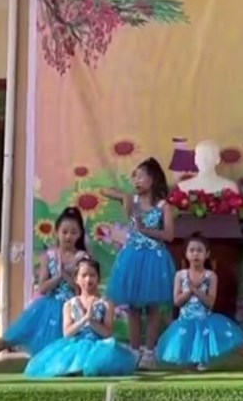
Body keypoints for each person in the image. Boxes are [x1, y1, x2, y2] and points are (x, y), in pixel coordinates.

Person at [0, 207, 88, 369]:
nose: (68, 236)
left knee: (67, 348)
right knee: (8, 339)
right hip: (46, 308)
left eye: (74, 232)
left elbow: (81, 290)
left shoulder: (82, 257)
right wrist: (58, 277)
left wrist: (66, 276)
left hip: (72, 310)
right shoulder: (49, 255)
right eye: (65, 232)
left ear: (80, 234)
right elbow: (42, 288)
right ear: (57, 232)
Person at [156, 234, 243, 372]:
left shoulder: (210, 276)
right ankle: (199, 364)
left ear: (207, 254)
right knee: (189, 360)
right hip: (186, 323)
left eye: (199, 250)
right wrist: (190, 291)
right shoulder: (180, 275)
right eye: (192, 250)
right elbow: (177, 301)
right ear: (186, 254)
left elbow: (210, 302)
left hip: (207, 321)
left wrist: (196, 290)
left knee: (239, 346)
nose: (195, 254)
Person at [101, 157, 176, 368]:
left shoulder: (163, 206)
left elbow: (169, 235)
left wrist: (146, 230)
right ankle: (134, 351)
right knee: (133, 307)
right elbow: (104, 191)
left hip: (154, 259)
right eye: (134, 177)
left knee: (153, 308)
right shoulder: (132, 201)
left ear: (153, 179)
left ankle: (149, 352)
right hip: (133, 258)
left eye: (141, 176)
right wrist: (123, 196)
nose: (136, 180)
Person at [24, 258, 138, 377]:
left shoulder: (106, 303)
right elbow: (67, 333)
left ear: (98, 278)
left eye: (92, 275)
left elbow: (108, 333)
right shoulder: (69, 304)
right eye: (84, 275)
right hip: (75, 345)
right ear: (76, 279)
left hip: (99, 346)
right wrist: (84, 319)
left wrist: (92, 321)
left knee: (99, 363)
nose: (88, 279)